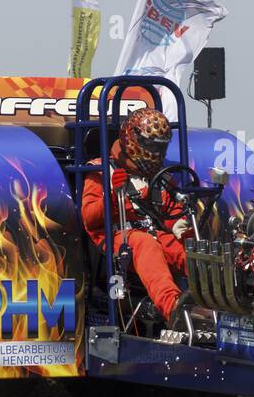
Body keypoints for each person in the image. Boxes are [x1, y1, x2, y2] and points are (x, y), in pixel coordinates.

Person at [80, 108, 193, 327]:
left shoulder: (160, 176)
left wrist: (179, 223)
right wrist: (114, 196)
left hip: (150, 232)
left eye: (161, 146)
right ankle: (173, 306)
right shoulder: (102, 170)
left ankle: (217, 303)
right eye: (152, 145)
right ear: (132, 138)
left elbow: (170, 209)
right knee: (146, 244)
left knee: (183, 250)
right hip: (113, 235)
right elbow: (89, 218)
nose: (156, 152)